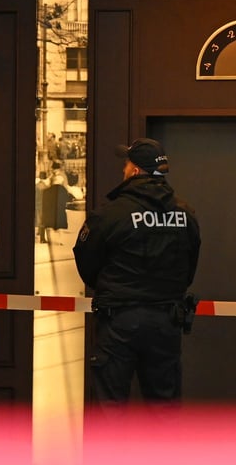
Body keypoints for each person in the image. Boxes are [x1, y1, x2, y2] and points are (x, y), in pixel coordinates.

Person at [72, 137, 201, 411]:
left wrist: (110, 287)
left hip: (118, 321)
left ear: (135, 171)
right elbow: (189, 268)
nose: (123, 169)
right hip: (167, 321)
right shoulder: (185, 214)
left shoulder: (110, 215)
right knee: (163, 410)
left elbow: (86, 262)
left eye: (126, 163)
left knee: (110, 411)